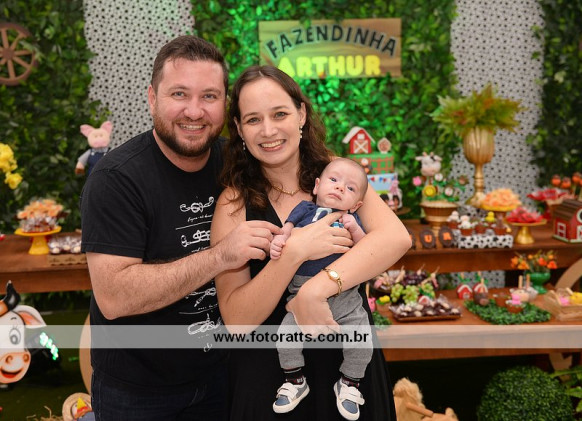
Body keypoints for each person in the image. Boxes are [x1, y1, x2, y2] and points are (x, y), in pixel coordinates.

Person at [80, 36, 281, 420]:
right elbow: (114, 296)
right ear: (152, 98)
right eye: (179, 94)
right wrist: (221, 256)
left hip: (227, 375)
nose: (194, 111)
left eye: (209, 96)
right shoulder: (116, 179)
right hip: (139, 393)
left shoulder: (238, 161)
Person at [211, 65, 412, 421]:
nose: (269, 130)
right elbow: (237, 321)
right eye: (254, 119)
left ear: (301, 115)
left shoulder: (339, 176)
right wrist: (294, 252)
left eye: (280, 114)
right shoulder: (234, 203)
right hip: (272, 382)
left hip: (349, 376)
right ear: (239, 129)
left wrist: (315, 291)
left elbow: (395, 238)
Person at [270, 158, 373, 420]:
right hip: (300, 297)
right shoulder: (305, 210)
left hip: (345, 298)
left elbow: (367, 251)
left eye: (350, 188)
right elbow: (286, 231)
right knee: (285, 336)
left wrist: (355, 230)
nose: (340, 188)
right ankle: (295, 380)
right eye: (334, 180)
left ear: (356, 204)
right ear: (316, 186)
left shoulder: (351, 219)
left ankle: (350, 382)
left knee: (362, 339)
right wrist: (280, 240)